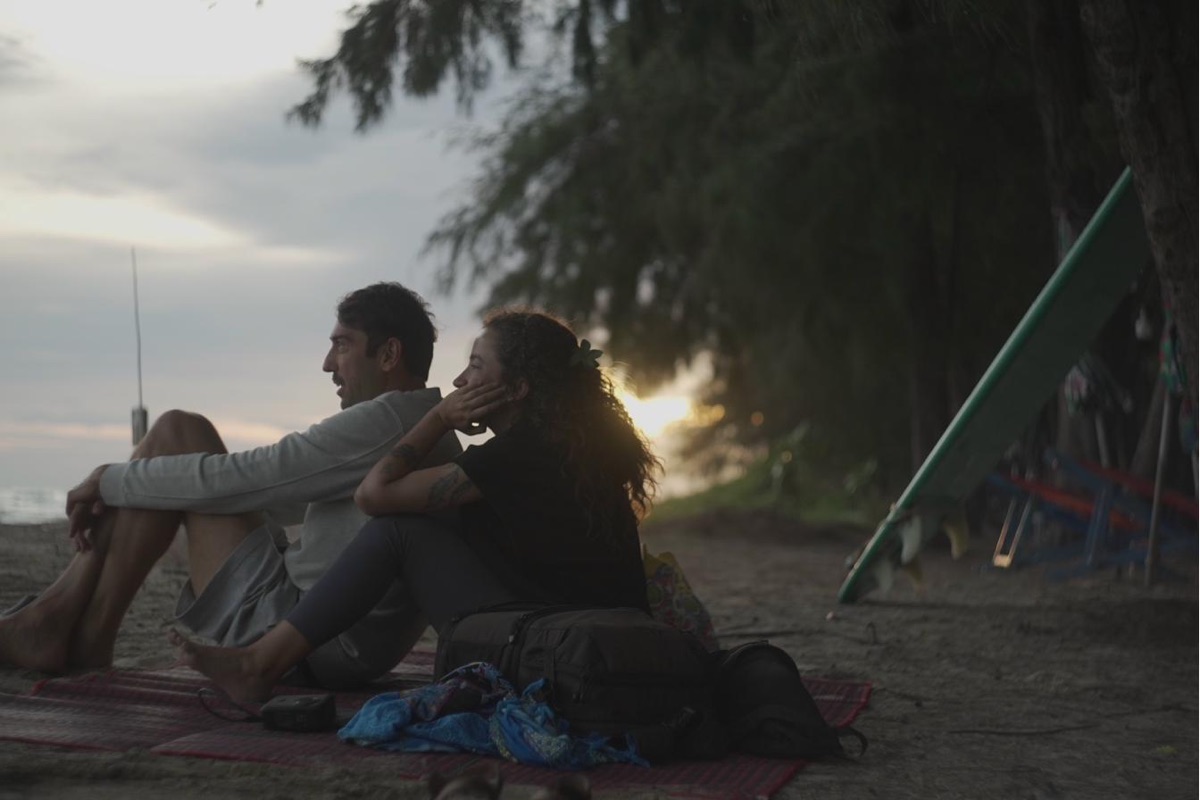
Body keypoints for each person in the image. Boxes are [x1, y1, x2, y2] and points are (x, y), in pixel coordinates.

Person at [173, 309, 659, 703]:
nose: (459, 379)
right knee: (424, 523)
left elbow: (373, 495)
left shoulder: (521, 455)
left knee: (399, 530)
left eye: (475, 366)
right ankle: (267, 657)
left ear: (516, 389)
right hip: (582, 640)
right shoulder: (570, 449)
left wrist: (438, 418)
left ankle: (258, 665)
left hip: (555, 651)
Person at [0, 282, 461, 688]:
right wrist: (123, 484)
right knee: (175, 461)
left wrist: (106, 479)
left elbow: (256, 476)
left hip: (304, 634)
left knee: (177, 435)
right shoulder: (418, 424)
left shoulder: (385, 421)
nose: (327, 364)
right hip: (338, 638)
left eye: (342, 345)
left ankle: (55, 620)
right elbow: (284, 498)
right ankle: (72, 628)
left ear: (388, 354)